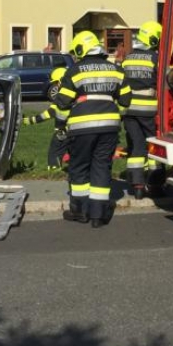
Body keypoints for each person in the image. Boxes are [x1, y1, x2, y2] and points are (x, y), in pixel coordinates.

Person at [54, 30, 131, 228]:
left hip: (81, 128)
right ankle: (98, 215)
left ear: (81, 49)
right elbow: (126, 100)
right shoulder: (117, 69)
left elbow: (62, 102)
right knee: (101, 167)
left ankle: (80, 211)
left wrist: (60, 124)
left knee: (79, 167)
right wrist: (116, 114)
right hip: (109, 128)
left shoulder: (75, 71)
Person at [121, 20, 163, 199]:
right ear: (154, 39)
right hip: (148, 111)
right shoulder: (155, 58)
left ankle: (137, 187)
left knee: (136, 147)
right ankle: (155, 186)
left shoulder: (128, 57)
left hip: (129, 111)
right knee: (154, 147)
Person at [22, 67, 70, 170]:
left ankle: (53, 171)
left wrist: (30, 121)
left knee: (54, 151)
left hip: (64, 131)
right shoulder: (76, 91)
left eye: (57, 82)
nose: (56, 85)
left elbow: (50, 113)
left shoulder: (63, 94)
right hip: (79, 129)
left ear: (61, 80)